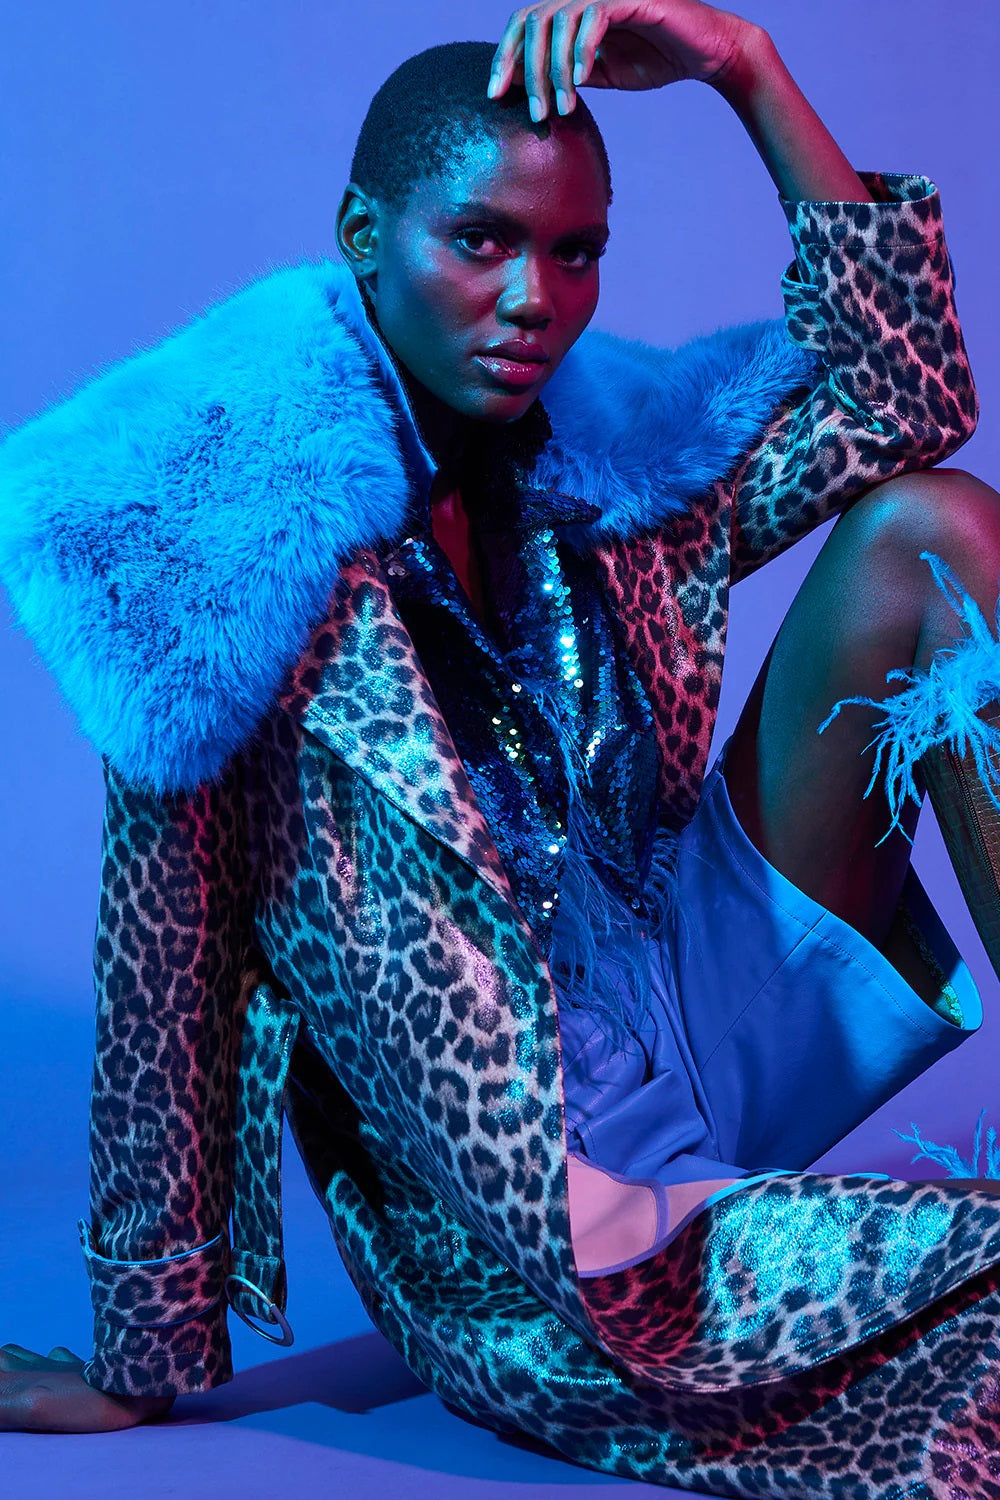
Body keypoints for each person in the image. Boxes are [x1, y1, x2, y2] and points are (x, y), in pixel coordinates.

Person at [3, 0, 1000, 1490]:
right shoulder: (217, 562)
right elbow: (165, 973)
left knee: (940, 532)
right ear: (364, 234)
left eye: (576, 251)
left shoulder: (608, 471)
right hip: (543, 1202)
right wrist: (141, 1361)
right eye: (479, 241)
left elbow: (905, 398)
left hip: (703, 1010)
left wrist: (745, 69)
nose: (534, 297)